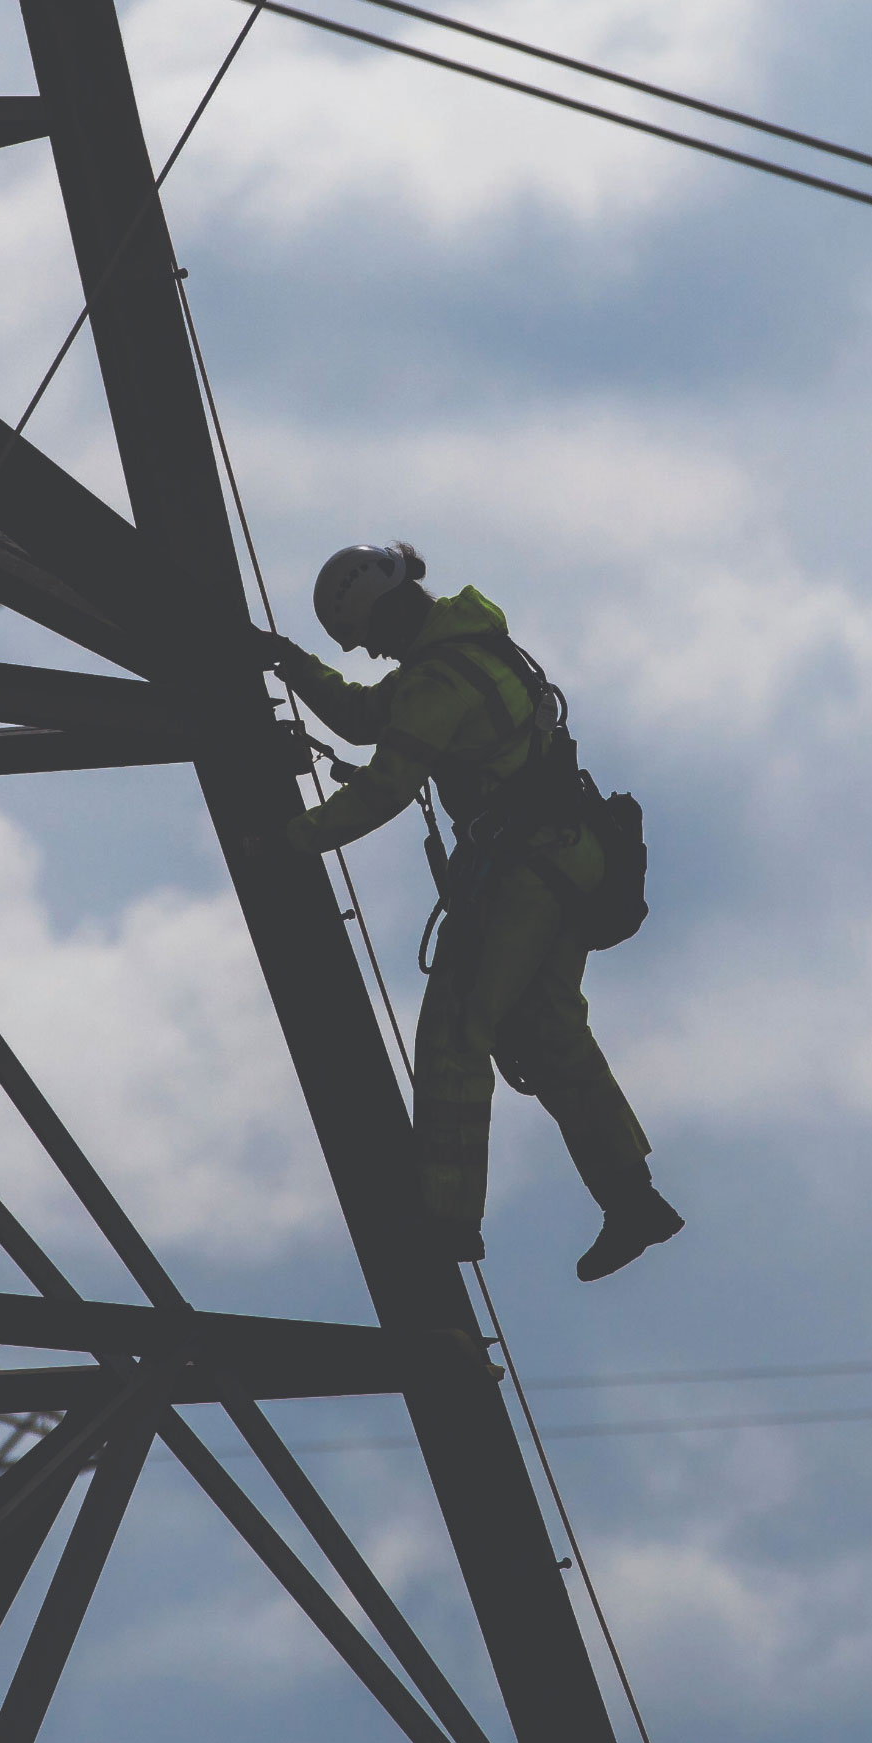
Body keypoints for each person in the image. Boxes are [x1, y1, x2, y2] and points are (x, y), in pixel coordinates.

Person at [257, 542, 684, 1282]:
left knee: (457, 1027)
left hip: (524, 872)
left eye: (370, 638)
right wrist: (293, 663)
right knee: (551, 1035)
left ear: (381, 612)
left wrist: (288, 843)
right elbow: (364, 716)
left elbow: (384, 786)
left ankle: (449, 1220)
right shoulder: (468, 652)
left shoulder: (436, 679)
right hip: (565, 860)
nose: (376, 653)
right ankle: (631, 1198)